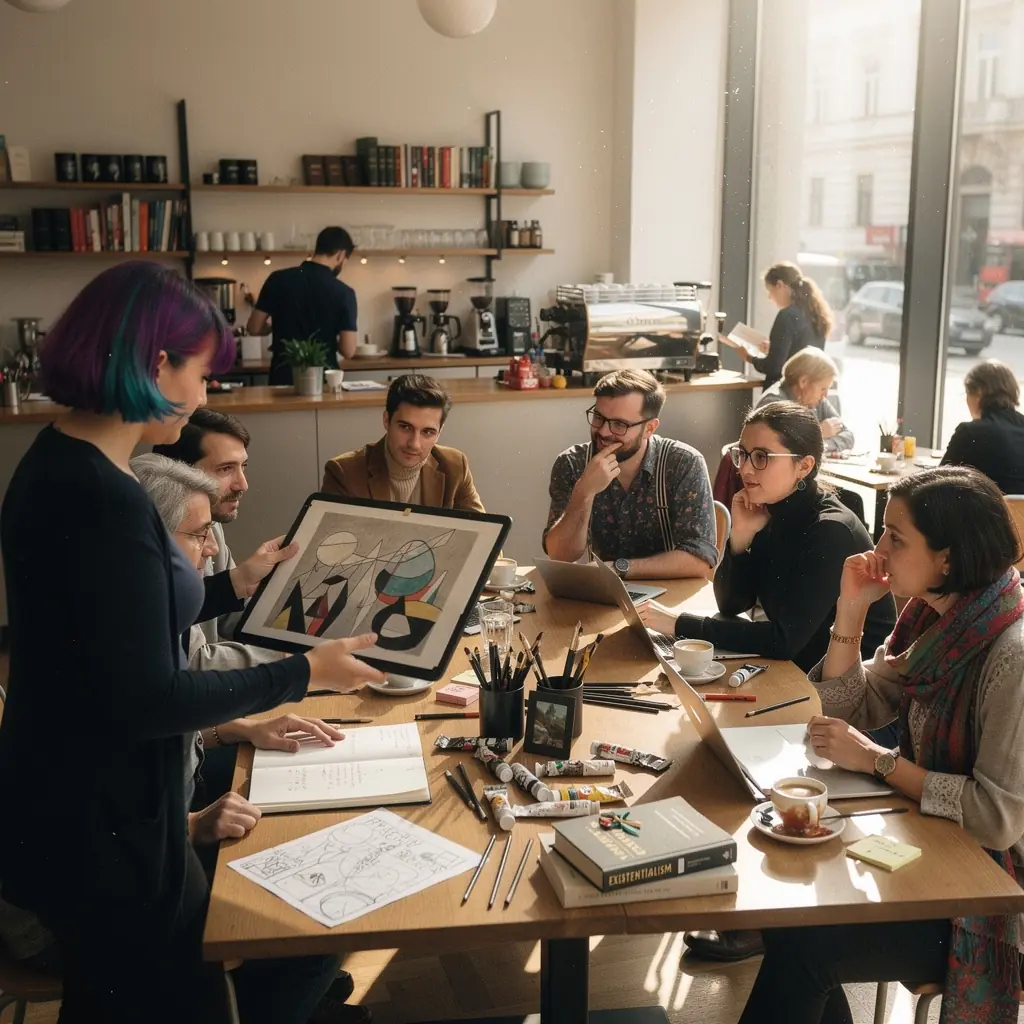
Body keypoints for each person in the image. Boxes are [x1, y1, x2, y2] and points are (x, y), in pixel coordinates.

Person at [0, 261, 385, 1023]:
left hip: (82, 799)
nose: (209, 395)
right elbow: (148, 694)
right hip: (105, 821)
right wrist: (304, 672)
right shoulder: (103, 498)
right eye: (204, 374)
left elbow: (124, 625)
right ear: (156, 365)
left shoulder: (64, 463)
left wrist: (227, 592)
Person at [738, 465, 1024, 1024]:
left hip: (992, 895)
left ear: (948, 557)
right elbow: (852, 706)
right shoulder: (933, 616)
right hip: (932, 842)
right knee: (784, 908)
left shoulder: (1012, 655)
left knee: (804, 947)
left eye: (896, 536)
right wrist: (852, 608)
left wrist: (878, 761)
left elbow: (997, 819)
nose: (878, 547)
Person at [131, 452, 371, 1024]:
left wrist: (237, 728)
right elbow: (92, 808)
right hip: (113, 884)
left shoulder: (148, 610)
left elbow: (165, 727)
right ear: (147, 545)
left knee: (309, 815)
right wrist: (191, 827)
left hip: (159, 828)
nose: (213, 547)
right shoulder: (126, 644)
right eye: (197, 535)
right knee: (314, 924)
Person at [543, 369, 718, 580]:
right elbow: (560, 555)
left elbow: (701, 560)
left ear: (649, 429)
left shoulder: (683, 463)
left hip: (670, 598)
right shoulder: (572, 463)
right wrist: (584, 492)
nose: (604, 432)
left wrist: (618, 568)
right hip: (602, 597)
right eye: (598, 417)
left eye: (619, 424)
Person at [153, 407, 260, 647]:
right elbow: (194, 661)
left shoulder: (212, 524)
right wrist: (302, 663)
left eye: (243, 466)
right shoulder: (160, 535)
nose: (242, 484)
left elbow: (233, 620)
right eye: (225, 469)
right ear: (181, 474)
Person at [321, 373, 485, 512]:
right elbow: (327, 544)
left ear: (440, 432)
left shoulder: (455, 467)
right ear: (386, 420)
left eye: (427, 432)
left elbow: (486, 540)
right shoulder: (344, 473)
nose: (414, 444)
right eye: (405, 427)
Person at [246, 226, 358, 385]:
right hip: (323, 380)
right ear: (340, 255)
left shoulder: (277, 279)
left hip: (282, 378)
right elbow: (348, 350)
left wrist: (275, 326)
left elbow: (253, 327)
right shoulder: (344, 292)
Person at [741, 262, 833, 389]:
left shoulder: (787, 316)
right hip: (806, 391)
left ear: (780, 285)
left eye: (770, 290)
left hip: (784, 393)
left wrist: (749, 357)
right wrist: (774, 348)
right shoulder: (816, 314)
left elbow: (774, 367)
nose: (769, 297)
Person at [941, 358, 1024, 494]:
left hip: (988, 514)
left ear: (978, 393)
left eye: (967, 393)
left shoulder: (970, 432)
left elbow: (936, 483)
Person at [755, 347, 854, 455]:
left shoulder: (818, 401)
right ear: (803, 382)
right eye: (823, 389)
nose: (825, 395)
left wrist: (821, 445)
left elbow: (848, 436)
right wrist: (818, 433)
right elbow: (783, 450)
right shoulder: (773, 403)